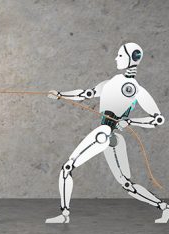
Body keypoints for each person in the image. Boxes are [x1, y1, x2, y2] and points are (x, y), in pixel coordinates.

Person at [45, 43, 168, 223]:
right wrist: (60, 95)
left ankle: (64, 214)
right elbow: (86, 94)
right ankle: (164, 207)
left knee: (67, 168)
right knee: (127, 184)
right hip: (113, 137)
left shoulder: (134, 88)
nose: (116, 59)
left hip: (104, 133)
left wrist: (131, 121)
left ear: (130, 58)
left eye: (119, 55)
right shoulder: (112, 83)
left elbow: (157, 119)